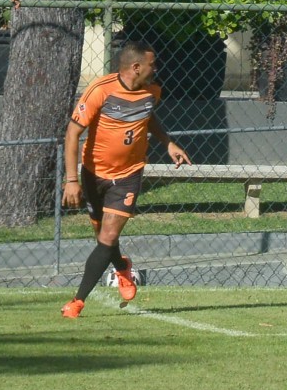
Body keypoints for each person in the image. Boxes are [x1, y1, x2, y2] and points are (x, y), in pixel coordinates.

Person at [60, 41, 191, 319]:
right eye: (152, 64)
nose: (156, 69)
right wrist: (72, 180)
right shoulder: (101, 90)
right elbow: (72, 133)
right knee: (103, 239)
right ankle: (122, 267)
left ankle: (77, 301)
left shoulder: (153, 91)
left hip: (129, 174)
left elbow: (147, 116)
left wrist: (168, 142)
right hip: (94, 174)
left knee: (108, 237)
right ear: (136, 67)